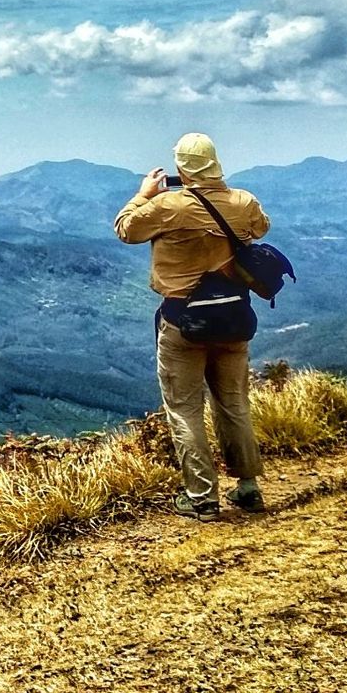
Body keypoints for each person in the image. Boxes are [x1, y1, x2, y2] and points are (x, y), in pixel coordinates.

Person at [113, 132, 270, 521]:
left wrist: (143, 193)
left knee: (185, 410)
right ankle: (248, 487)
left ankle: (202, 497)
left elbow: (125, 229)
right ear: (216, 162)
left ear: (181, 166)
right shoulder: (243, 201)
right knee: (233, 402)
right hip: (235, 316)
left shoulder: (168, 205)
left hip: (183, 320)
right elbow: (261, 228)